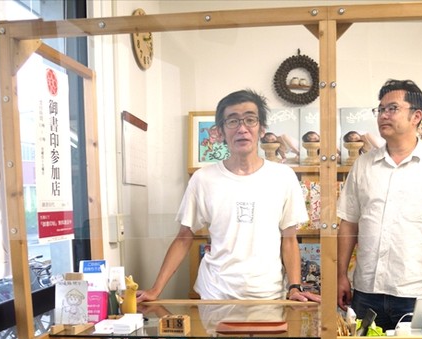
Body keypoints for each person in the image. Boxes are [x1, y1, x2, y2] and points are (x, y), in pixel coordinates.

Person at [137, 89, 320, 303]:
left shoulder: (283, 176)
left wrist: (294, 287)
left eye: (250, 120)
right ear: (221, 132)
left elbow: (289, 239)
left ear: (262, 128)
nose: (242, 128)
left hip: (268, 294)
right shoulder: (203, 178)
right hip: (216, 294)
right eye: (232, 121)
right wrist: (156, 289)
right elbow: (184, 237)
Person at [337, 79, 422, 332]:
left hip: (417, 293)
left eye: (392, 108)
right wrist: (340, 275)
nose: (383, 115)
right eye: (380, 109)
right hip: (366, 292)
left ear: (416, 116)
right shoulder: (363, 165)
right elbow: (348, 224)